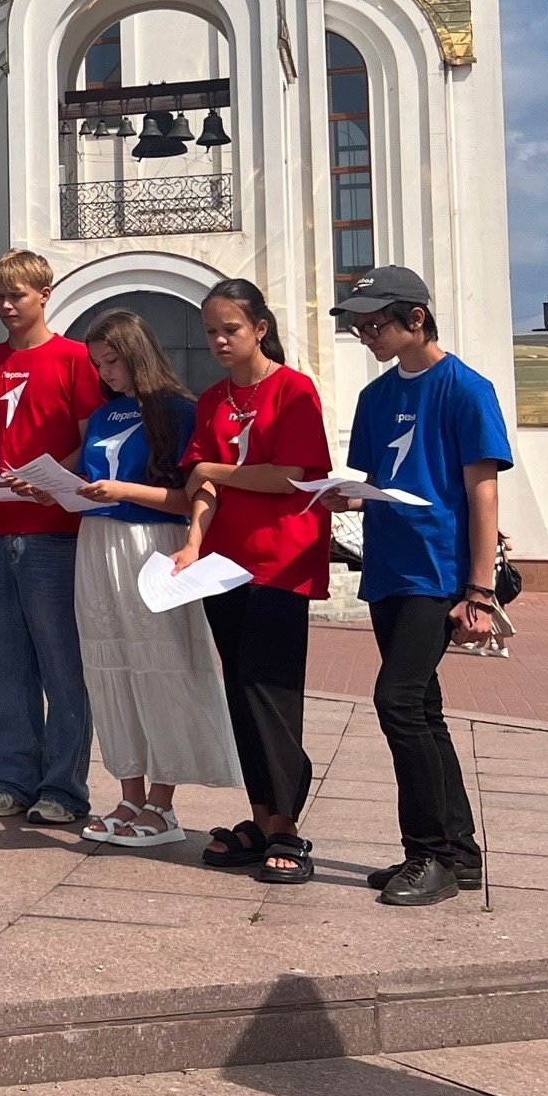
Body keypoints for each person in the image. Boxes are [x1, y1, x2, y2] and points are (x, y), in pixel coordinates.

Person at [330, 267, 512, 907]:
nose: (363, 333)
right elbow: (378, 481)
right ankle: (458, 855)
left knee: (398, 702)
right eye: (356, 325)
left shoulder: (466, 388)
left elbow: (481, 489)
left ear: (415, 317)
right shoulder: (376, 398)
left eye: (374, 322)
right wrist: (337, 501)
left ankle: (429, 853)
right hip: (388, 568)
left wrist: (480, 590)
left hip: (440, 571)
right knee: (423, 710)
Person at [175, 279, 332, 885]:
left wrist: (211, 468)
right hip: (222, 564)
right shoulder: (213, 397)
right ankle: (262, 818)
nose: (218, 340)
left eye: (230, 329)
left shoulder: (293, 390)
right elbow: (201, 489)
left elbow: (289, 477)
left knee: (272, 690)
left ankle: (287, 827)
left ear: (259, 328)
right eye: (210, 330)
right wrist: (192, 542)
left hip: (279, 562)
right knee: (240, 689)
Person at [66, 311, 240, 846]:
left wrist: (123, 493)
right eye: (98, 364)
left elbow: (190, 497)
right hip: (97, 544)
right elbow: (90, 477)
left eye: (113, 361)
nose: (106, 373)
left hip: (152, 544)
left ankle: (162, 805)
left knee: (159, 663)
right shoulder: (104, 415)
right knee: (109, 664)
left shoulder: (177, 411)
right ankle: (129, 793)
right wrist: (53, 486)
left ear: (136, 353)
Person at [0, 250, 102, 825]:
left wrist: (50, 479)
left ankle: (62, 789)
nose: (7, 305)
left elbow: (93, 442)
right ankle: (11, 780)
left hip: (53, 530)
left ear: (45, 293)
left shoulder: (74, 359)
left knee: (61, 664)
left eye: (18, 294)